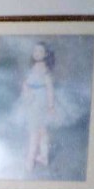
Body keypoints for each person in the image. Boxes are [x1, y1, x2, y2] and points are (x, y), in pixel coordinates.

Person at [21, 41, 56, 172]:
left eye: (40, 51)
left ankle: (30, 159)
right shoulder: (33, 67)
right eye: (35, 51)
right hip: (31, 100)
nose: (37, 53)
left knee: (34, 131)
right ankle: (44, 157)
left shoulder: (45, 70)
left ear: (45, 54)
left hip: (39, 103)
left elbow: (50, 89)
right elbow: (27, 82)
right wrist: (25, 89)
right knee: (41, 130)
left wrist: (51, 106)